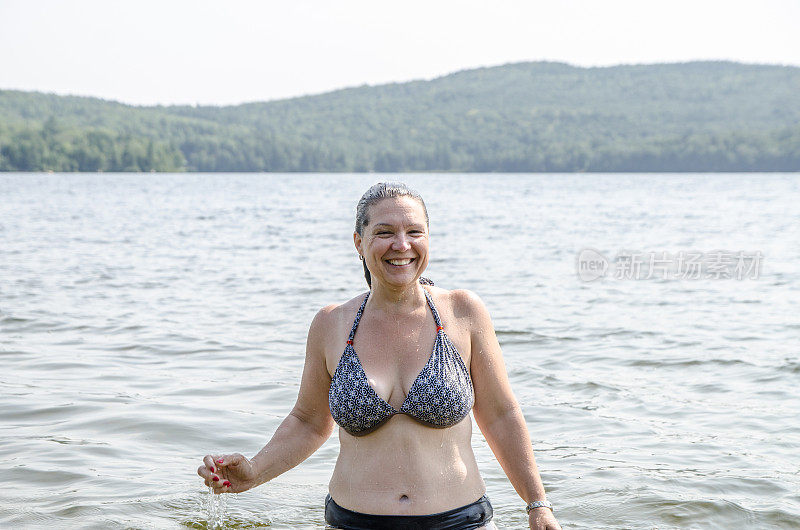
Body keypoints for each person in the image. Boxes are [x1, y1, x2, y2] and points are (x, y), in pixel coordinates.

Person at [197, 182, 561, 530]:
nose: (401, 245)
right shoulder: (331, 324)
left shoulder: (463, 312)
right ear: (359, 242)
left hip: (460, 521)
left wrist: (537, 503)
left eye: (414, 232)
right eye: (385, 232)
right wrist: (255, 471)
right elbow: (308, 423)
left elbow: (500, 415)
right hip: (353, 522)